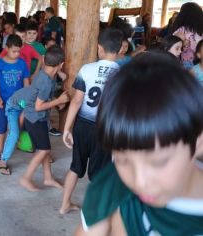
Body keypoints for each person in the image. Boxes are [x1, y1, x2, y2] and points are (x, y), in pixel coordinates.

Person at [74, 52, 203, 236]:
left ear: (198, 141)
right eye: (123, 160)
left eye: (158, 162)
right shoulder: (111, 182)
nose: (140, 182)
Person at [60, 28, 123, 214]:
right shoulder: (122, 74)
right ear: (120, 50)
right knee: (100, 174)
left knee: (75, 166)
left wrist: (66, 128)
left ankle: (64, 205)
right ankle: (95, 212)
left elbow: (77, 101)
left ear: (99, 48)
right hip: (105, 130)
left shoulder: (87, 69)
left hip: (82, 126)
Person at [19, 45, 70, 192]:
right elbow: (38, 106)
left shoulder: (44, 74)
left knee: (45, 149)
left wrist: (59, 73)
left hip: (34, 118)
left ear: (43, 59)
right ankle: (26, 178)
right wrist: (58, 101)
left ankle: (48, 178)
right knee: (43, 150)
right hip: (36, 118)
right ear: (61, 64)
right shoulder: (46, 82)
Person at [0, 34, 30, 169]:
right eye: (14, 51)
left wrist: (26, 98)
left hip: (18, 102)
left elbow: (26, 81)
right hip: (2, 100)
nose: (17, 54)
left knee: (16, 125)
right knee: (1, 127)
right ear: (7, 48)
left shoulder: (22, 63)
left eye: (19, 51)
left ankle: (12, 144)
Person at [172, 2, 203, 69]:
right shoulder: (200, 30)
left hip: (185, 63)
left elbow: (171, 46)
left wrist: (183, 44)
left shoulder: (181, 30)